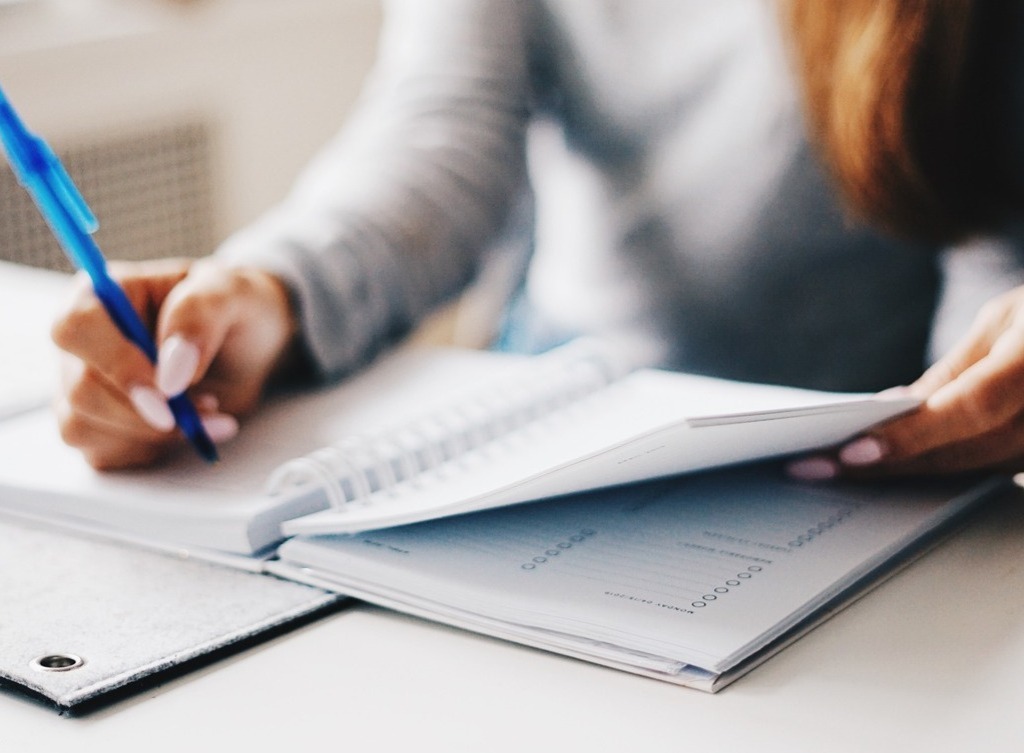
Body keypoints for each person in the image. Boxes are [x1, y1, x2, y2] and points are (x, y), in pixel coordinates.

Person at [50, 0, 1024, 478]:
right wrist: (266, 292)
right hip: (550, 440)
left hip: (861, 467)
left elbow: (993, 233)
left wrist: (978, 399)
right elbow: (438, 135)